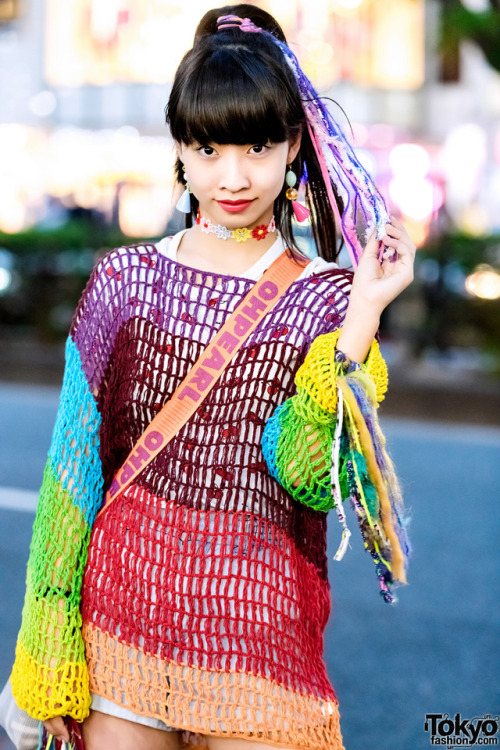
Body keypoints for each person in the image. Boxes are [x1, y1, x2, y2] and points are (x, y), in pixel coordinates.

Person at [8, 5, 415, 750]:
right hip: (118, 627)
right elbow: (70, 484)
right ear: (182, 150)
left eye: (258, 146)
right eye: (209, 147)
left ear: (293, 146)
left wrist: (361, 318)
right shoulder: (123, 283)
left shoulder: (326, 299)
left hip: (258, 642)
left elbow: (310, 478)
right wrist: (45, 650)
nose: (233, 176)